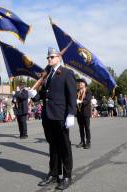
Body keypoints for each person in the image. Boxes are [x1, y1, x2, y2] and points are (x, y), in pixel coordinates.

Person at [28, 48, 77, 190]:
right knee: (53, 146)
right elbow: (44, 95)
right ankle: (54, 174)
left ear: (59, 58)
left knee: (64, 147)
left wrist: (71, 114)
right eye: (48, 57)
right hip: (48, 116)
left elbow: (71, 95)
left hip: (61, 116)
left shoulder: (67, 73)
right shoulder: (48, 75)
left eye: (51, 57)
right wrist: (33, 95)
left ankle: (67, 176)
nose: (49, 59)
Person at [76, 78, 92, 149]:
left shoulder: (88, 91)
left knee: (87, 128)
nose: (80, 84)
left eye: (82, 82)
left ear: (85, 84)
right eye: (79, 83)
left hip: (85, 112)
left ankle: (88, 142)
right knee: (80, 128)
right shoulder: (77, 92)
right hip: (79, 112)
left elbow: (87, 100)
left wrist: (81, 102)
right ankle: (82, 141)